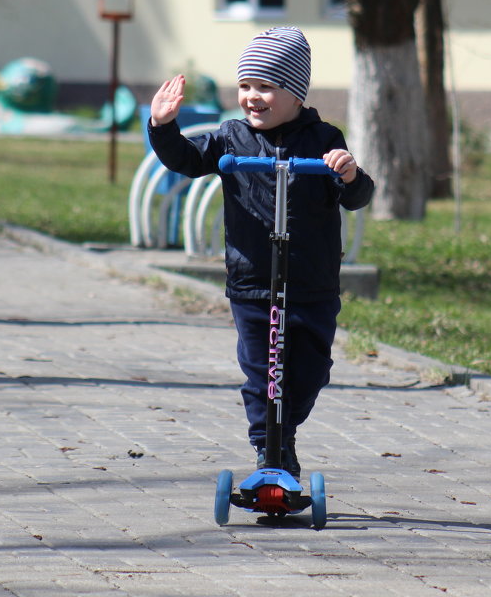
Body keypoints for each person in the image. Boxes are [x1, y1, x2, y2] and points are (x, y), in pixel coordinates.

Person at [147, 26, 374, 476]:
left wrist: (347, 174)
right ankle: (268, 449)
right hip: (252, 281)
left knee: (309, 370)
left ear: (295, 94)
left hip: (312, 282)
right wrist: (162, 125)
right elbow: (188, 161)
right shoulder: (230, 137)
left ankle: (284, 433)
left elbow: (356, 195)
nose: (252, 96)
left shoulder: (325, 138)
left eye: (266, 87)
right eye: (246, 86)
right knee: (261, 372)